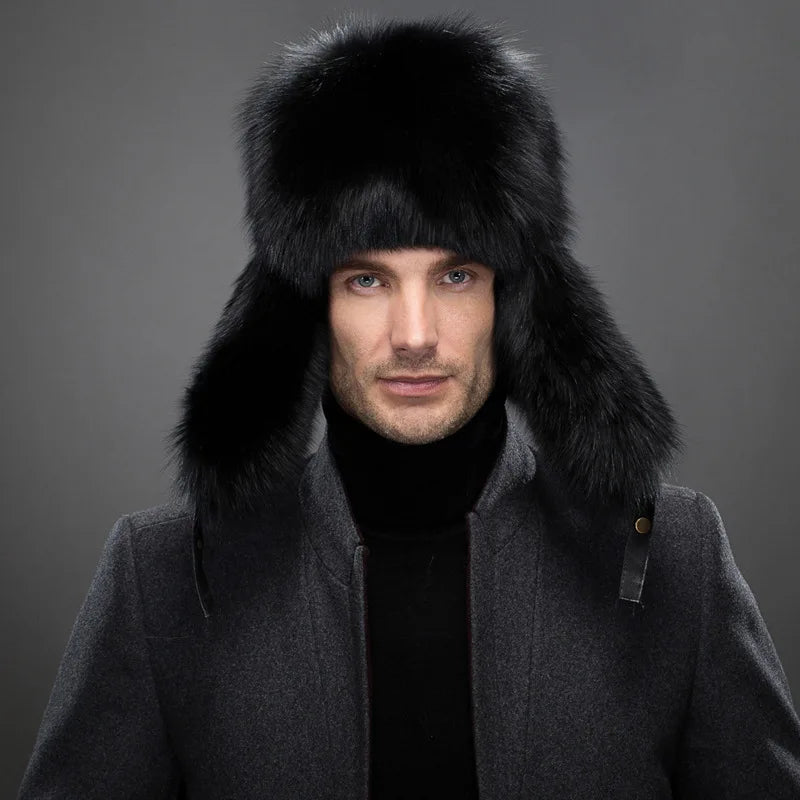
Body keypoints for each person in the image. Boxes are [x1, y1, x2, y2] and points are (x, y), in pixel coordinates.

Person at [19, 13, 800, 800]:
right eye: (367, 280)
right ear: (308, 307)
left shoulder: (669, 559)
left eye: (456, 276)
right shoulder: (164, 578)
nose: (416, 335)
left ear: (511, 299)